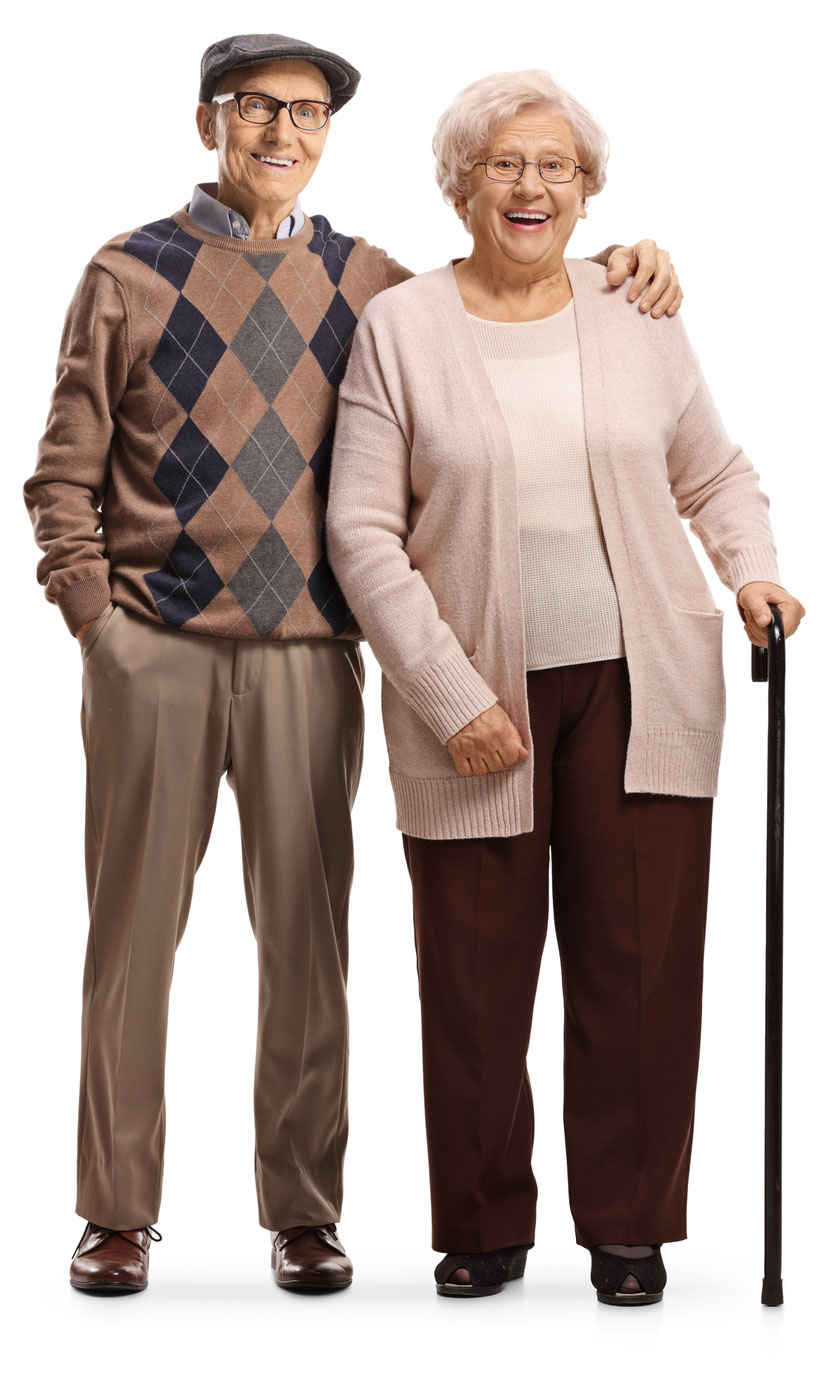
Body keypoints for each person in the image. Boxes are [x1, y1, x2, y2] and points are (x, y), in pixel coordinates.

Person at [24, 35, 686, 1296]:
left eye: (309, 111)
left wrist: (621, 263)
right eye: (257, 107)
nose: (283, 130)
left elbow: (500, 284)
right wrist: (93, 622)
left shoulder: (366, 283)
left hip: (310, 659)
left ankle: (304, 1209)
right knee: (132, 940)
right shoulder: (128, 272)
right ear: (208, 119)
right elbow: (63, 472)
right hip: (153, 647)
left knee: (310, 942)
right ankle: (116, 1209)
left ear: (329, 131)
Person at [326, 69, 805, 1305]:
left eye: (555, 167)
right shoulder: (403, 328)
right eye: (503, 164)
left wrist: (755, 574)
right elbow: (363, 534)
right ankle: (483, 1225)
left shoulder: (635, 308)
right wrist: (449, 692)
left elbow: (715, 476)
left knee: (638, 967)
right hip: (476, 698)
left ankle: (629, 1223)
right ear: (461, 185)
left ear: (588, 191)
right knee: (475, 977)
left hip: (643, 686)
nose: (530, 186)